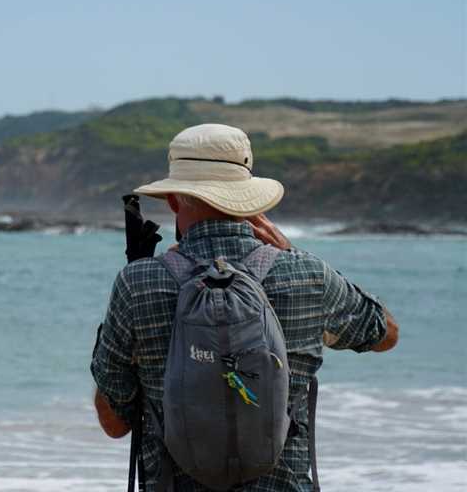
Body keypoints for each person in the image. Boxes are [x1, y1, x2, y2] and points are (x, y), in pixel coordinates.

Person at [90, 123, 399, 491]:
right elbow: (385, 334)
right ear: (250, 198)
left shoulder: (137, 283)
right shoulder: (307, 275)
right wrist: (292, 255)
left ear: (173, 199)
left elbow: (114, 423)